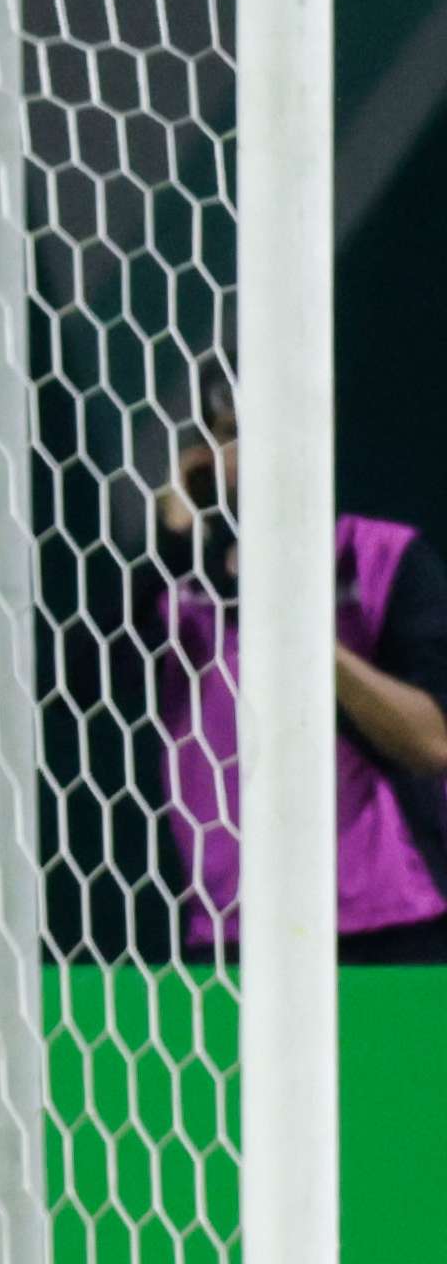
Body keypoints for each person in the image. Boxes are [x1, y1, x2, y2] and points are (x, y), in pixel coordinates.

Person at [153, 357, 447, 961]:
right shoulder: (174, 591)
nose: (252, 450)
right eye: (232, 431)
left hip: (383, 922)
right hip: (229, 932)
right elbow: (73, 689)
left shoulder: (382, 557)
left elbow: (431, 743)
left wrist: (310, 640)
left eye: (271, 425)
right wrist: (168, 541)